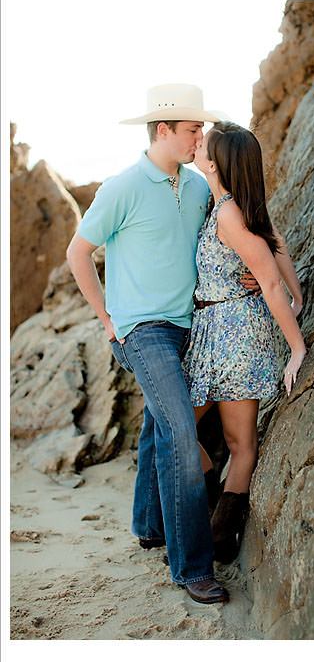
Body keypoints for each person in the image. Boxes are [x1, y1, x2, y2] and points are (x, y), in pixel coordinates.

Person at [66, 84, 233, 604]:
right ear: (164, 130)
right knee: (182, 433)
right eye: (191, 131)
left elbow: (219, 240)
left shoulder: (199, 187)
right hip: (142, 328)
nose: (198, 138)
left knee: (158, 424)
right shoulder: (121, 187)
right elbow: (78, 252)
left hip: (191, 324)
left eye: (200, 130)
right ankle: (192, 567)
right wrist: (107, 316)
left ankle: (148, 525)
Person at [184, 121, 306, 564]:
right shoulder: (231, 207)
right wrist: (300, 295)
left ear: (214, 163)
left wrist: (296, 346)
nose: (197, 145)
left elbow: (269, 281)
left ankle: (216, 533)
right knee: (186, 431)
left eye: (204, 144)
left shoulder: (230, 215)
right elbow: (277, 244)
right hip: (217, 330)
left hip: (235, 334)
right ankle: (216, 521)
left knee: (231, 441)